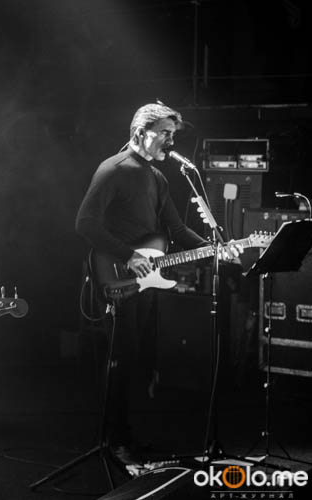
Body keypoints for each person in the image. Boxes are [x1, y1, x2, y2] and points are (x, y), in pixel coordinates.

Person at [75, 102, 237, 467]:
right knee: (119, 359)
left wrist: (215, 248)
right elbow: (85, 223)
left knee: (136, 358)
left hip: (144, 282)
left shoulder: (158, 177)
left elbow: (176, 229)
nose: (170, 141)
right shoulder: (114, 170)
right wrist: (128, 254)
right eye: (164, 133)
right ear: (140, 133)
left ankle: (125, 436)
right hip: (115, 276)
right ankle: (114, 442)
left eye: (172, 134)